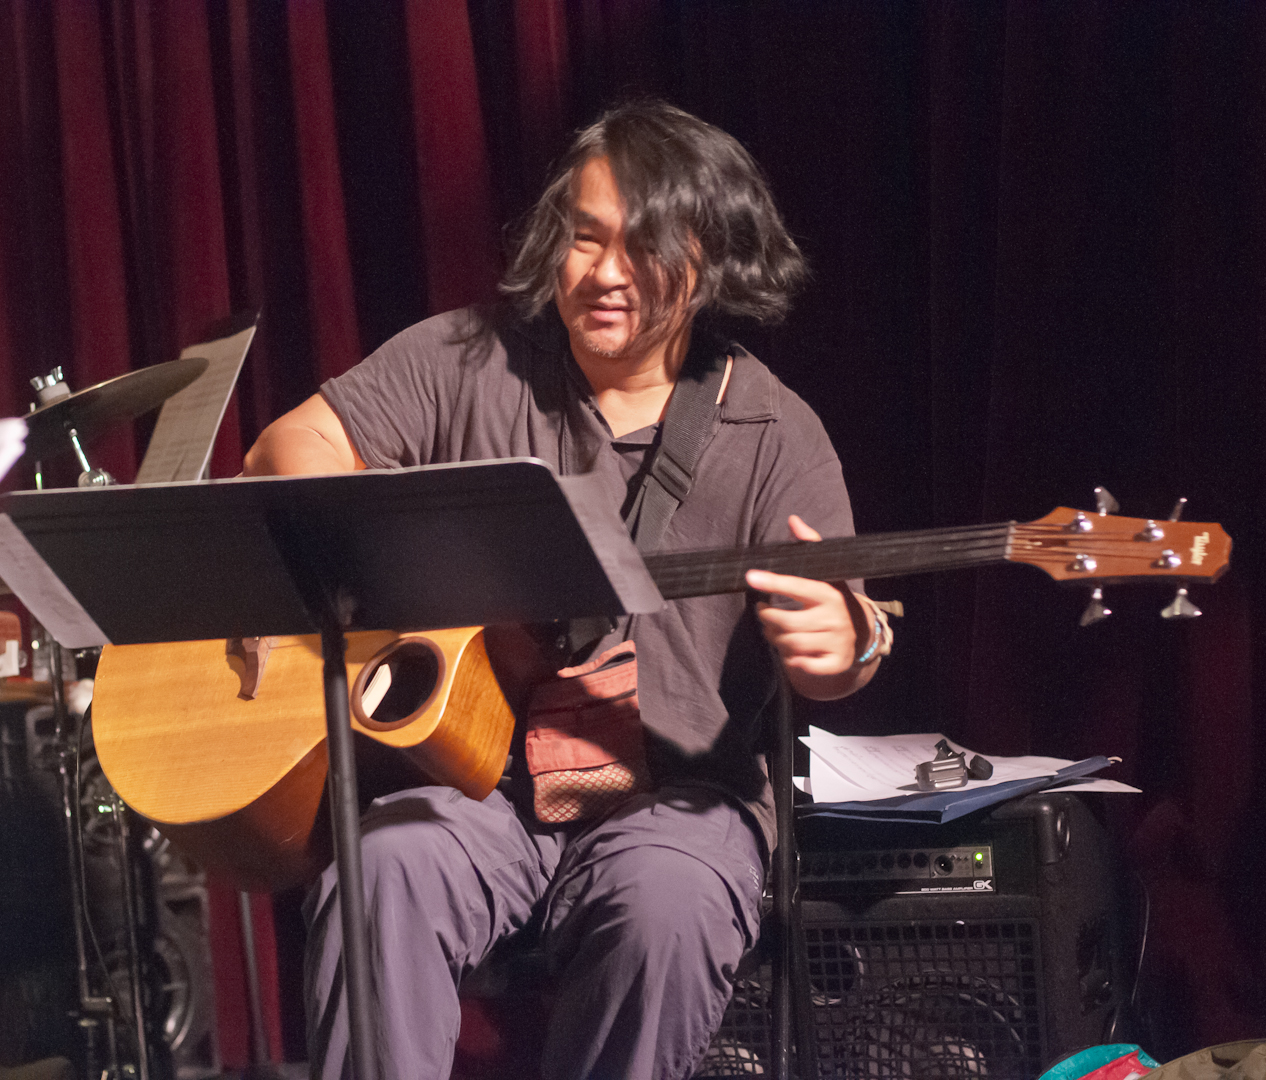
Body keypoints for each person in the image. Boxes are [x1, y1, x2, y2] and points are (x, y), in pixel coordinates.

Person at [243, 100, 886, 1080]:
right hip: (472, 786)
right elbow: (286, 446)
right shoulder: (468, 358)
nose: (604, 273)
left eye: (644, 246)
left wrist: (846, 645)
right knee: (378, 873)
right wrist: (386, 565)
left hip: (673, 800)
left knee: (666, 913)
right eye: (586, 237)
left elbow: (843, 645)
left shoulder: (772, 433)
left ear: (710, 261)